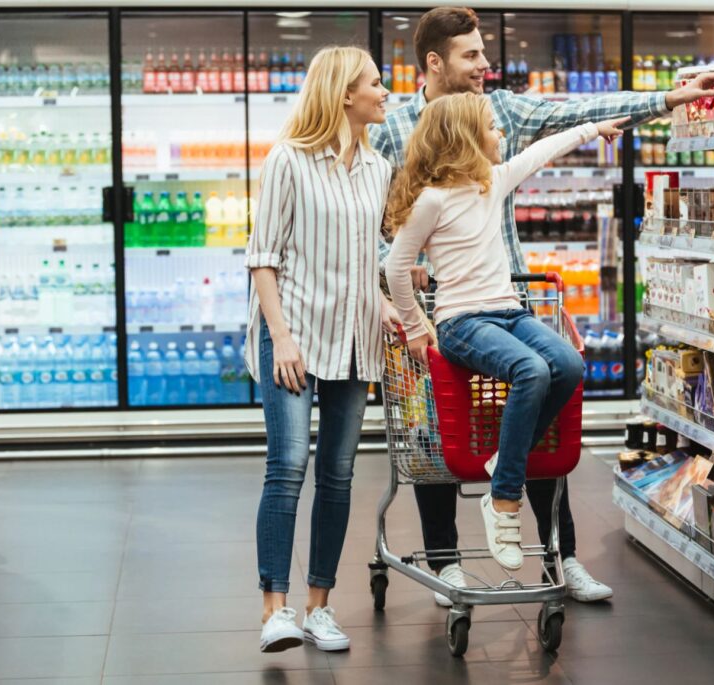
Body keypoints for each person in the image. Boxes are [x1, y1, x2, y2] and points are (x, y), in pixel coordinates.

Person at [371, 6, 714, 602]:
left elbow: (576, 114)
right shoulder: (395, 127)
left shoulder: (503, 111)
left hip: (510, 292)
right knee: (434, 438)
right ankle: (446, 563)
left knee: (541, 413)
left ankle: (560, 557)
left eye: (484, 54)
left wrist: (669, 99)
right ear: (434, 63)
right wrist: (400, 290)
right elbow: (378, 217)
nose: (485, 66)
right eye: (471, 57)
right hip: (443, 308)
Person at [385, 93, 625, 570]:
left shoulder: (491, 183)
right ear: (465, 139)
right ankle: (504, 498)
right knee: (532, 371)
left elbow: (543, 151)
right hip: (461, 321)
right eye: (492, 128)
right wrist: (416, 325)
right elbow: (396, 268)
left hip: (510, 312)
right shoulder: (431, 200)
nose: (501, 136)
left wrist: (593, 130)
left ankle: (502, 460)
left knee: (570, 364)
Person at [244, 45, 400, 654]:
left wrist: (383, 300)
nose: (385, 93)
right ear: (343, 94)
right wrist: (280, 336)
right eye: (375, 83)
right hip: (294, 334)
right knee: (287, 466)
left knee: (337, 475)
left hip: (356, 338)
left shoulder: (379, 167)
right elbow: (263, 256)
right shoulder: (288, 159)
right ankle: (275, 610)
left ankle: (320, 607)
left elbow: (369, 255)